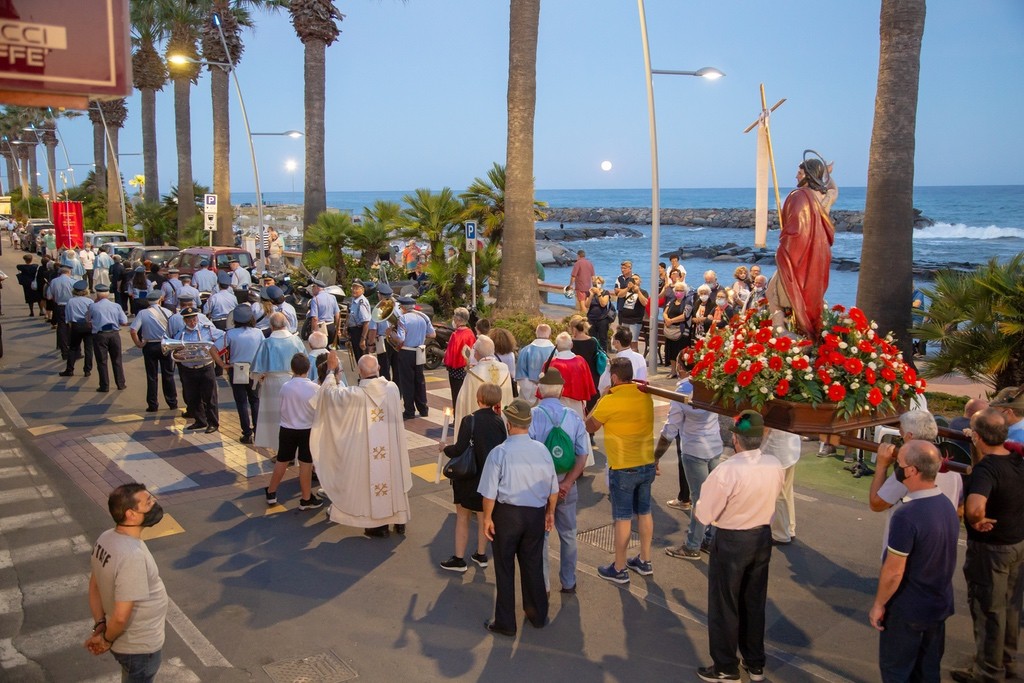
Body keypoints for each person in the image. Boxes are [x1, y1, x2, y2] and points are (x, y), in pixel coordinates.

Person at [693, 410, 784, 682]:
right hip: (762, 537)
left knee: (725, 604)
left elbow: (704, 514)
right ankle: (755, 663)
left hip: (732, 540)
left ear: (735, 439)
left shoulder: (727, 470)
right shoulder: (774, 464)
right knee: (754, 601)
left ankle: (725, 665)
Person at [869, 440, 959, 683]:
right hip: (937, 605)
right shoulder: (946, 505)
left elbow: (894, 572)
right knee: (928, 672)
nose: (897, 468)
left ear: (910, 471)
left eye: (899, 464)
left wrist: (879, 604)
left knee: (897, 672)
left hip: (908, 610)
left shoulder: (906, 515)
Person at [951, 409, 1024, 682]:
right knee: (1011, 608)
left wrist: (976, 519)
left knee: (988, 610)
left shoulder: (986, 470)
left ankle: (988, 672)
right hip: (1016, 542)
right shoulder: (1017, 459)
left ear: (978, 436)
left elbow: (974, 507)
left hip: (991, 549)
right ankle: (1006, 662)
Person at [478, 398, 559, 637]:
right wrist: (550, 512)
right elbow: (553, 489)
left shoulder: (499, 452)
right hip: (535, 514)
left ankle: (505, 622)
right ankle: (537, 615)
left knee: (504, 568)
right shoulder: (542, 450)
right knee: (533, 564)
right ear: (528, 423)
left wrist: (487, 519)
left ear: (509, 424)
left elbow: (489, 493)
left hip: (507, 515)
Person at [312, 352, 413, 537]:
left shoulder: (355, 395)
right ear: (379, 368)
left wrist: (331, 371)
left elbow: (328, 396)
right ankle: (399, 519)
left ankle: (379, 527)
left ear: (359, 371)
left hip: (369, 451)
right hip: (391, 449)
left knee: (373, 483)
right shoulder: (392, 388)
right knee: (393, 477)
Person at [84, 483, 168, 683]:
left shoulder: (106, 538)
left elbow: (94, 586)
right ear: (131, 514)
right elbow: (121, 617)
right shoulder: (132, 555)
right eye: (148, 502)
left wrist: (100, 624)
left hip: (128, 643)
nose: (154, 503)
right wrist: (106, 640)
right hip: (139, 647)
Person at [587, 357, 656, 584]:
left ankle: (619, 567)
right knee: (644, 512)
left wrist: (602, 397)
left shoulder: (610, 400)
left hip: (623, 466)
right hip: (646, 462)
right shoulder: (645, 395)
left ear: (615, 377)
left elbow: (589, 425)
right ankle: (645, 560)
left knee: (623, 518)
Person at [529, 369, 590, 594]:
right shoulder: (573, 417)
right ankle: (568, 581)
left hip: (539, 486)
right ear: (562, 390)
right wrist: (567, 483)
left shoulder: (532, 416)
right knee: (569, 534)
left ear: (540, 390)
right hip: (566, 483)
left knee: (541, 537)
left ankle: (543, 585)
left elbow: (527, 455)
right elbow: (582, 454)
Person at [869, 410, 963, 556]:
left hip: (907, 551)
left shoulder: (909, 469)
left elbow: (876, 503)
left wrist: (882, 465)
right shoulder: (952, 466)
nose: (900, 435)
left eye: (901, 432)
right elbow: (960, 509)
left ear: (909, 436)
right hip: (940, 550)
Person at [658, 352, 723, 561]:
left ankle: (693, 545)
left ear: (681, 366)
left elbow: (670, 429)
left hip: (694, 450)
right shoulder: (714, 384)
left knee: (700, 499)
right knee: (713, 496)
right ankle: (710, 538)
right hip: (715, 446)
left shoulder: (683, 390)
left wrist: (655, 456)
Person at [438, 383, 508, 572]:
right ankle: (481, 554)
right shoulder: (499, 421)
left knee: (463, 517)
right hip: (489, 479)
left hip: (469, 477)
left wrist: (445, 448)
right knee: (484, 516)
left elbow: (460, 449)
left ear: (479, 398)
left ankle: (459, 559)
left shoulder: (470, 420)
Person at [767, 157, 835, 338]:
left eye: (799, 173)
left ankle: (781, 330)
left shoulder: (798, 196)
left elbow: (795, 232)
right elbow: (834, 190)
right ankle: (798, 332)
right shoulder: (825, 197)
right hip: (819, 254)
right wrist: (827, 174)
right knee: (806, 297)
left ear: (808, 175)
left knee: (773, 292)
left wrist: (783, 249)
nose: (796, 176)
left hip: (797, 256)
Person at [263, 354, 323, 510]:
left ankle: (271, 492)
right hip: (307, 430)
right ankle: (306, 498)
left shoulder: (285, 387)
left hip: (287, 428)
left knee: (282, 461)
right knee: (305, 464)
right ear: (308, 368)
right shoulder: (314, 388)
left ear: (292, 368)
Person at [251, 313, 306, 450]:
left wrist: (258, 378)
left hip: (272, 384)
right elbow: (305, 362)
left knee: (275, 417)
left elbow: (256, 369)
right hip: (293, 381)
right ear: (286, 323)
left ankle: (279, 449)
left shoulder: (267, 343)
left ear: (271, 326)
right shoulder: (295, 341)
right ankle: (293, 450)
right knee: (292, 415)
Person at [454, 335, 514, 440]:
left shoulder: (473, 373)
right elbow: (509, 396)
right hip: (501, 422)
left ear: (476, 353)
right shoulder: (504, 369)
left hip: (480, 426)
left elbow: (462, 401)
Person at [174, 307, 223, 432]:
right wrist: (177, 356)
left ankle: (213, 423)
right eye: (189, 320)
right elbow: (175, 351)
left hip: (205, 366)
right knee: (192, 397)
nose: (192, 322)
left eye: (194, 319)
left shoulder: (207, 330)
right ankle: (200, 421)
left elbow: (224, 336)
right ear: (185, 321)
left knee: (210, 397)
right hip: (189, 368)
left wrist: (214, 349)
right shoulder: (180, 334)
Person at [129, 291, 178, 413]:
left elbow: (133, 330)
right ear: (160, 299)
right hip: (165, 344)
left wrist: (138, 343)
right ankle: (172, 402)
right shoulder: (168, 312)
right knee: (168, 374)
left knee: (152, 376)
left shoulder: (142, 313)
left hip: (150, 345)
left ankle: (153, 404)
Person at [388, 296, 436, 420]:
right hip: (420, 351)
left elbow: (401, 339)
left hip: (407, 352)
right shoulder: (424, 316)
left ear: (403, 307)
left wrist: (391, 334)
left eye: (400, 307)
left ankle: (409, 411)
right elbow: (432, 334)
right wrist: (420, 335)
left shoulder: (403, 318)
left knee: (407, 382)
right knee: (420, 380)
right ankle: (423, 408)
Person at [221, 305, 264, 443]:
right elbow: (263, 351)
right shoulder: (258, 333)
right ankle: (258, 431)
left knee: (241, 402)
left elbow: (214, 349)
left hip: (237, 369)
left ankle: (246, 433)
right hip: (253, 369)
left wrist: (223, 365)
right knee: (255, 400)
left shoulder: (230, 334)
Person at [765, 428, 802, 545]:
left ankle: (780, 534)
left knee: (777, 495)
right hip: (789, 448)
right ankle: (789, 529)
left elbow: (764, 428)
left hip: (776, 451)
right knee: (786, 492)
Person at [91, 284, 129, 393]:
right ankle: (120, 383)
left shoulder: (93, 306)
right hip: (114, 334)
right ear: (107, 294)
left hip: (100, 335)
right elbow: (124, 321)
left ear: (97, 295)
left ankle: (104, 385)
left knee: (101, 361)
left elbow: (88, 319)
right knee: (117, 360)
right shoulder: (116, 306)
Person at [60, 280, 95, 378]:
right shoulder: (90, 301)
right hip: (88, 325)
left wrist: (70, 325)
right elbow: (93, 314)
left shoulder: (71, 301)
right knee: (89, 348)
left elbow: (68, 315)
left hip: (76, 325)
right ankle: (87, 370)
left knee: (73, 348)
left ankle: (69, 369)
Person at [442, 307, 476, 404]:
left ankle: (457, 413)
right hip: (467, 369)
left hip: (455, 370)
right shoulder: (470, 333)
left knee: (457, 396)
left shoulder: (455, 335)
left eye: (454, 317)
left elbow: (450, 354)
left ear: (458, 319)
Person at [598, 327, 647, 393]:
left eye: (613, 338)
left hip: (621, 394)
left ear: (617, 342)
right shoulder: (640, 357)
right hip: (639, 393)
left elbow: (603, 385)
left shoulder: (616, 363)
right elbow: (642, 379)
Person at [515, 324, 553, 407]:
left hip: (528, 395)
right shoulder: (555, 352)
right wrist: (543, 389)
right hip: (549, 394)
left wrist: (533, 392)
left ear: (536, 334)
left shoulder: (525, 351)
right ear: (549, 335)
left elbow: (521, 377)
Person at [662, 282, 693, 377]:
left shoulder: (688, 302)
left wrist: (671, 320)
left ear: (685, 291)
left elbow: (685, 316)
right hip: (670, 331)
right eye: (677, 290)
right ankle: (673, 371)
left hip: (681, 331)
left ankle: (682, 371)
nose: (678, 292)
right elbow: (665, 312)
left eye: (681, 290)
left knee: (681, 352)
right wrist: (667, 319)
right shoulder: (671, 301)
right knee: (671, 351)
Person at [614, 270, 648, 352]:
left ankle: (635, 358)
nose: (634, 280)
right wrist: (628, 288)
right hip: (625, 319)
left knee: (633, 342)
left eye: (636, 279)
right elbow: (620, 295)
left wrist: (638, 291)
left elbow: (645, 303)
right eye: (633, 279)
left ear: (640, 281)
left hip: (635, 321)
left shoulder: (643, 292)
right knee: (624, 342)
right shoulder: (627, 290)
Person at [48, 263, 75, 359]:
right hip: (71, 306)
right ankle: (73, 348)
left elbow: (49, 296)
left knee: (62, 327)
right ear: (69, 272)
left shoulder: (54, 281)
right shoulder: (73, 281)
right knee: (72, 327)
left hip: (59, 306)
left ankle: (64, 350)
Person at [584, 275, 614, 352]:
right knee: (592, 338)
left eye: (599, 283)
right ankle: (593, 353)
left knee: (603, 338)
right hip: (591, 318)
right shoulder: (589, 292)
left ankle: (603, 354)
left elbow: (603, 304)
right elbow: (587, 305)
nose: (597, 284)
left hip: (602, 319)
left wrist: (598, 293)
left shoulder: (605, 292)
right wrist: (591, 295)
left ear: (602, 284)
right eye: (595, 283)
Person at [308, 279, 340, 346]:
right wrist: (338, 329)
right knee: (330, 348)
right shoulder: (333, 297)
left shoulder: (315, 299)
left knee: (320, 348)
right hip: (331, 326)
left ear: (317, 287)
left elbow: (315, 318)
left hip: (321, 327)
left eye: (313, 287)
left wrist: (314, 331)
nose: (312, 289)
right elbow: (337, 315)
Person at [347, 280, 372, 361]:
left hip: (359, 332)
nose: (354, 290)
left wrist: (363, 339)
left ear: (362, 290)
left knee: (362, 359)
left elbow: (366, 322)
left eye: (356, 288)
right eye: (353, 288)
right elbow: (350, 315)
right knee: (358, 358)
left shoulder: (361, 302)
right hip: (354, 332)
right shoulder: (354, 300)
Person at [568, 249, 596, 313]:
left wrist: (570, 285)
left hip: (580, 287)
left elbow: (573, 276)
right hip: (588, 287)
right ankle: (585, 316)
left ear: (578, 256)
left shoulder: (577, 263)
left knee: (582, 305)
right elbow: (593, 277)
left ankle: (586, 317)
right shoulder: (590, 263)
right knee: (585, 305)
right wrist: (594, 287)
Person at [911, 285, 928, 358]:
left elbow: (917, 304)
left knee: (908, 329)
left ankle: (913, 349)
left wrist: (903, 304)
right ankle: (912, 348)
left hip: (916, 321)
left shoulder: (918, 293)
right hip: (907, 319)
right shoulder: (904, 295)